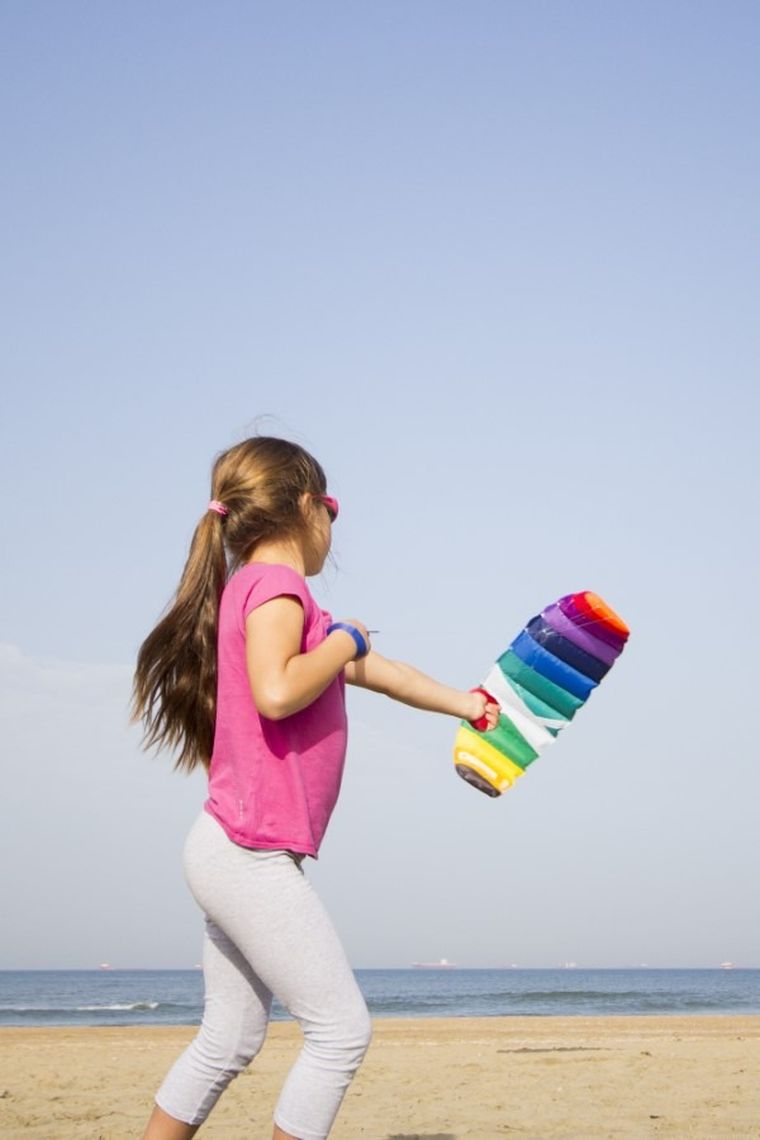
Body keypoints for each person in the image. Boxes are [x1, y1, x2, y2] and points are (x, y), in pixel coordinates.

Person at [132, 435, 499, 1140]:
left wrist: (466, 703)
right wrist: (345, 641)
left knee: (229, 1038)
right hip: (247, 853)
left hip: (230, 849)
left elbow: (385, 673)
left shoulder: (273, 599)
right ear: (307, 507)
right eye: (333, 506)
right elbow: (276, 692)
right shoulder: (277, 590)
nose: (335, 522)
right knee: (340, 1032)